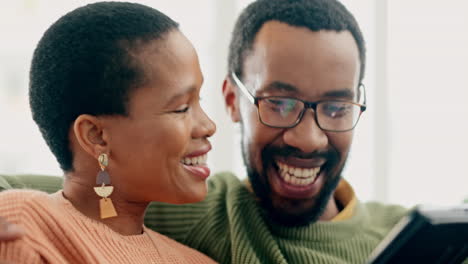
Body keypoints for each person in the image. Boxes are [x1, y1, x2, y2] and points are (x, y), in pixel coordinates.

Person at [0, 0, 409, 263]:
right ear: (234, 100)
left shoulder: (416, 237)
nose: (309, 138)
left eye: (337, 108)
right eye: (279, 104)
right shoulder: (210, 211)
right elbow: (86, 186)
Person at [0, 2, 217, 263]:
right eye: (181, 108)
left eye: (199, 100)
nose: (208, 126)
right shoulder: (24, 226)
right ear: (96, 136)